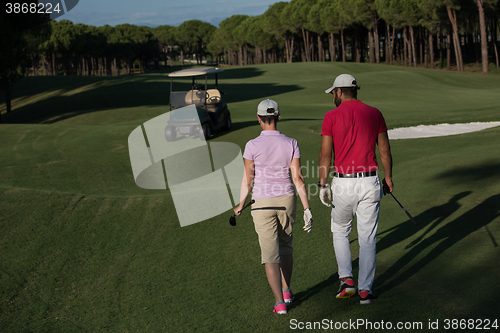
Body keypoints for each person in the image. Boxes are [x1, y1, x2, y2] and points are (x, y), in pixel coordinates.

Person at [318, 74, 393, 305]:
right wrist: (388, 177)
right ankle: (365, 291)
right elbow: (384, 150)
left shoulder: (331, 116)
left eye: (333, 93)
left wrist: (322, 184)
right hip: (370, 181)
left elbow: (325, 155)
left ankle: (347, 282)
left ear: (339, 92)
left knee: (340, 231)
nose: (333, 96)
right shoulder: (375, 113)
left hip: (344, 182)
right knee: (367, 238)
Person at [234, 99, 313, 315]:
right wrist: (307, 208)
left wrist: (241, 204)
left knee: (270, 254)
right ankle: (287, 291)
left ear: (258, 118)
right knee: (285, 246)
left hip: (261, 204)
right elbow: (297, 178)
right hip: (287, 201)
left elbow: (247, 181)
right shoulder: (291, 143)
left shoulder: (251, 145)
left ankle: (279, 304)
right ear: (279, 117)